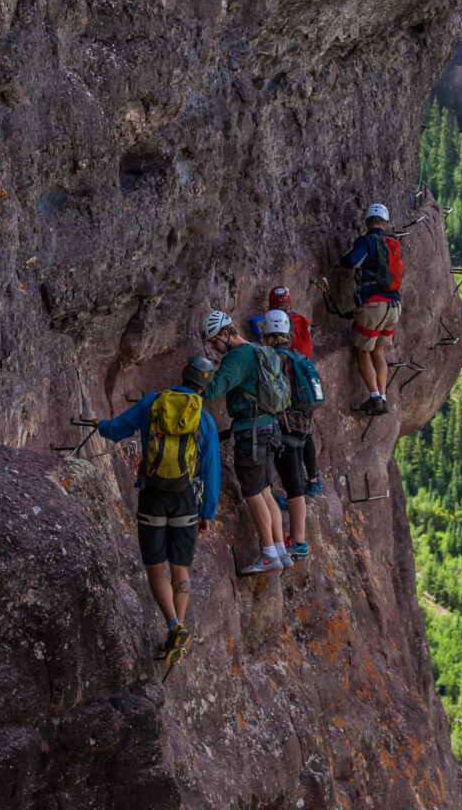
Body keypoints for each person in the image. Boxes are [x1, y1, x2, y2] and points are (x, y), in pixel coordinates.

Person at [96, 356, 220, 665]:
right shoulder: (204, 418)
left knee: (155, 568)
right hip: (186, 498)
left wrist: (100, 424)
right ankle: (177, 631)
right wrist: (208, 510)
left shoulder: (152, 403)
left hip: (153, 495)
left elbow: (115, 430)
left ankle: (174, 628)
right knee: (180, 568)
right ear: (204, 386)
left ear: (182, 374)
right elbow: (210, 467)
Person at [201, 309, 293, 575]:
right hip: (269, 427)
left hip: (251, 431)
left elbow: (214, 389)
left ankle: (268, 553)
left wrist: (198, 374)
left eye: (214, 342)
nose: (214, 348)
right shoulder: (257, 349)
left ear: (226, 334)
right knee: (265, 490)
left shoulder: (238, 356)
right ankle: (279, 551)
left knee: (253, 491)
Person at [256, 309, 320, 559]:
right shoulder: (297, 355)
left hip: (286, 429)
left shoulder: (275, 358)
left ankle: (298, 540)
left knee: (293, 485)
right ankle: (297, 539)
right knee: (295, 483)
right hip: (303, 427)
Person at [343, 203, 403, 414]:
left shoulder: (366, 241)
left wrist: (341, 258)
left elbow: (352, 261)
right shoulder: (393, 244)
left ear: (368, 222)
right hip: (394, 306)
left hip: (374, 305)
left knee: (362, 351)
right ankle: (384, 397)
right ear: (385, 223)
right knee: (379, 351)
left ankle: (375, 396)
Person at [248, 285, 313, 356]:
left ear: (271, 305)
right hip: (301, 361)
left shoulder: (268, 321)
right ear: (290, 304)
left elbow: (254, 321)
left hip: (279, 359)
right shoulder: (303, 320)